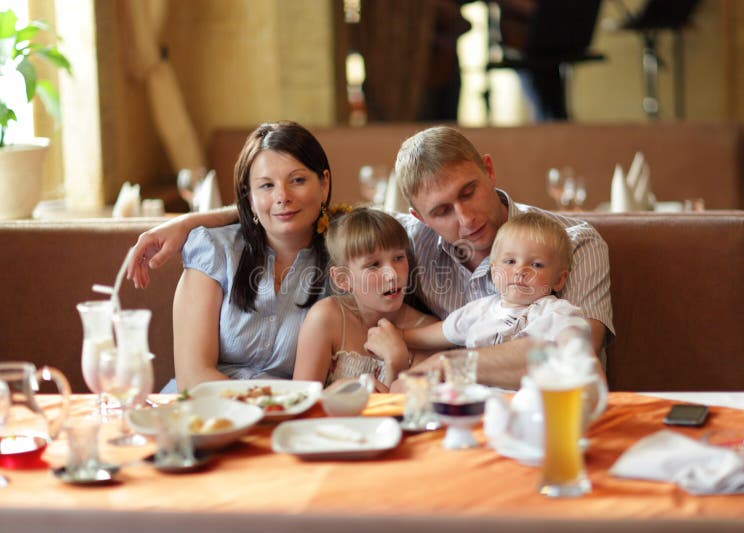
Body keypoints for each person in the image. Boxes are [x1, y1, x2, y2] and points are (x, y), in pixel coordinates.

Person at [128, 125, 613, 390]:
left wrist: (441, 365)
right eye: (441, 210)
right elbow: (287, 210)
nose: (464, 219)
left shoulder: (576, 242)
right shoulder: (403, 240)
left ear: (487, 170)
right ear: (415, 214)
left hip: (544, 411)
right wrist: (187, 222)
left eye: (469, 192)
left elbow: (572, 356)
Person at [165, 121, 332, 392]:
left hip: (290, 416)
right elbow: (192, 377)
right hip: (207, 412)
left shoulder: (346, 258)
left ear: (323, 185)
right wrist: (272, 403)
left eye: (298, 180)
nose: (283, 196)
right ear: (250, 198)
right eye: (266, 186)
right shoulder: (213, 250)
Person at [401, 211, 589, 351]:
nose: (520, 271)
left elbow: (571, 344)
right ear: (493, 269)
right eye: (510, 261)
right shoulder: (479, 310)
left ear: (559, 279)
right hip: (477, 394)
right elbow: (441, 333)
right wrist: (400, 336)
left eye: (537, 265)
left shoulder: (554, 312)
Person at [293, 207, 437, 390]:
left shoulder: (428, 331)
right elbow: (302, 401)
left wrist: (396, 362)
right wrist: (338, 391)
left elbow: (404, 414)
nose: (391, 275)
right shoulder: (326, 318)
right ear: (342, 279)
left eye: (399, 258)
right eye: (373, 265)